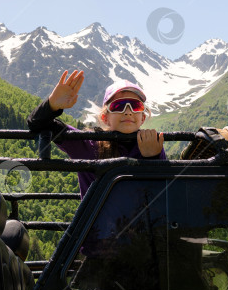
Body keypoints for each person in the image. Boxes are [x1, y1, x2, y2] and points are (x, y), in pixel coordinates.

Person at [27, 69, 165, 197]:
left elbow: (162, 196)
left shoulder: (153, 144)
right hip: (99, 224)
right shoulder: (90, 144)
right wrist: (52, 104)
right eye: (119, 106)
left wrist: (152, 159)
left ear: (143, 117)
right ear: (105, 118)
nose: (128, 111)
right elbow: (37, 123)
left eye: (135, 106)